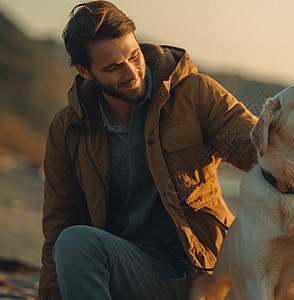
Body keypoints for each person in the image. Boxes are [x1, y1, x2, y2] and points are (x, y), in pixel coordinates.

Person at [37, 1, 258, 299]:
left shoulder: (194, 94)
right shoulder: (68, 129)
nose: (131, 73)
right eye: (113, 67)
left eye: (133, 55)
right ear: (85, 71)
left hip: (205, 276)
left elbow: (260, 149)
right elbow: (58, 224)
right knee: (72, 241)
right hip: (130, 271)